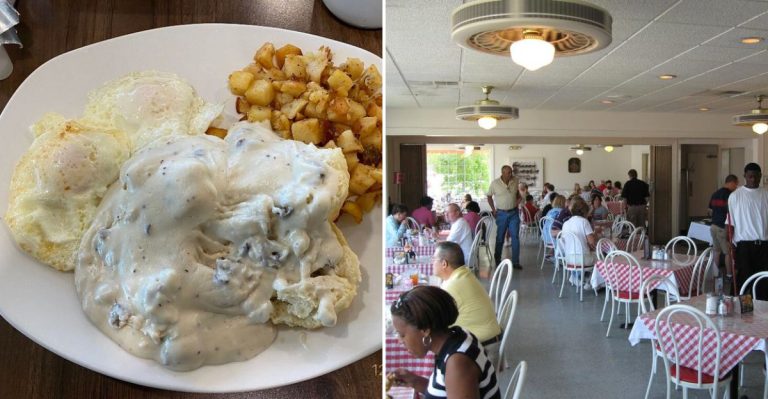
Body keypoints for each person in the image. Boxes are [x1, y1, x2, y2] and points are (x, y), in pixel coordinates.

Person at [389, 286, 501, 398]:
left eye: (402, 335)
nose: (400, 341)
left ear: (425, 330)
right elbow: (447, 391)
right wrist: (415, 381)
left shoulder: (458, 363)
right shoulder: (458, 335)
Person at [432, 242, 502, 359]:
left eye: (434, 259)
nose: (432, 262)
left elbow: (435, 320)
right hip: (488, 338)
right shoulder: (462, 274)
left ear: (444, 264)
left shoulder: (453, 285)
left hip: (484, 347)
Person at [728, 163, 768, 299]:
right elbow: (730, 224)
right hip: (744, 245)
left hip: (764, 245)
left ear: (760, 176)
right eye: (750, 177)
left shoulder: (766, 194)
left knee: (763, 281)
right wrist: (730, 244)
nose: (753, 180)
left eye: (756, 177)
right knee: (743, 280)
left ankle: (763, 314)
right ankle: (740, 312)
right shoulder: (735, 196)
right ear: (745, 176)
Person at [486, 165, 522, 269]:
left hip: (514, 213)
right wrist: (493, 209)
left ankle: (515, 262)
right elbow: (489, 196)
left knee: (515, 237)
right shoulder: (495, 183)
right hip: (501, 213)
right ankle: (497, 260)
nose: (510, 174)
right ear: (502, 173)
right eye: (508, 173)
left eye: (511, 172)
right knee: (500, 237)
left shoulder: (515, 180)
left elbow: (518, 195)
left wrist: (517, 202)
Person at [560, 197, 597, 289]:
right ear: (584, 211)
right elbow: (592, 242)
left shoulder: (566, 223)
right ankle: (593, 282)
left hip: (568, 259)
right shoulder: (584, 222)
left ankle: (578, 277)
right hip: (582, 259)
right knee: (603, 257)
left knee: (590, 254)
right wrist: (595, 234)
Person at [709, 175, 738, 281]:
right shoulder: (730, 195)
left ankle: (715, 274)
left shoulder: (715, 194)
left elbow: (710, 210)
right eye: (736, 184)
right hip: (723, 227)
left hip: (713, 226)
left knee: (716, 251)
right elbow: (733, 212)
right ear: (732, 182)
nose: (736, 187)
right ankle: (729, 275)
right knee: (728, 252)